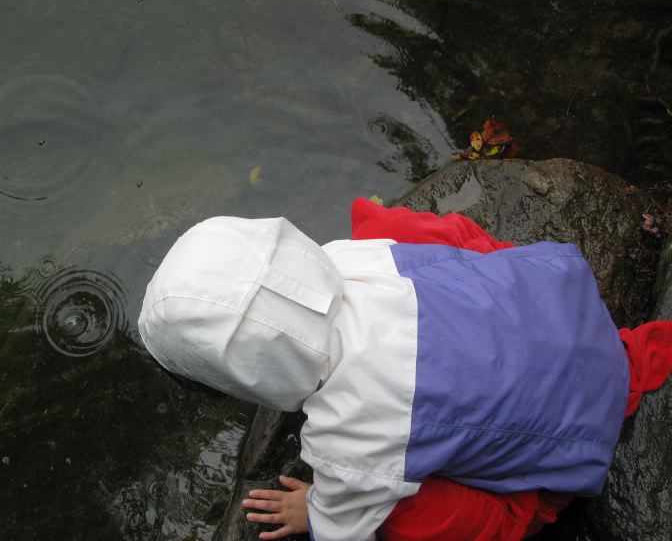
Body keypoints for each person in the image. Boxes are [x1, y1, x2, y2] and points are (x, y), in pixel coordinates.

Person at [138, 197, 672, 541]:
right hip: (563, 304)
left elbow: (347, 521)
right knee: (385, 223)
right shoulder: (354, 260)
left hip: (575, 433)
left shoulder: (348, 442)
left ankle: (524, 511)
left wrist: (316, 514)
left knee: (396, 516)